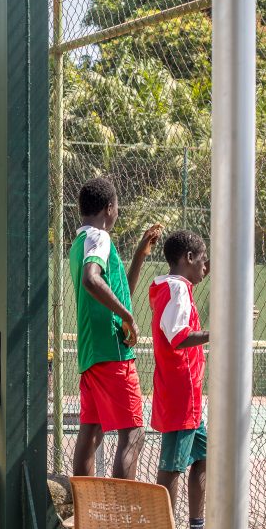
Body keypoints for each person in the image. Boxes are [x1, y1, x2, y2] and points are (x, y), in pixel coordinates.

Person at [69, 177, 162, 480]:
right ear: (109, 208)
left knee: (91, 431)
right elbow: (91, 279)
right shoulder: (100, 238)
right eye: (118, 208)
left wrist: (139, 255)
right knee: (133, 433)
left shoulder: (79, 242)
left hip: (91, 351)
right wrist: (129, 318)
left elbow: (120, 296)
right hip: (112, 350)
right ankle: (122, 514)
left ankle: (83, 505)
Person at [149, 230, 210, 529]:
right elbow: (178, 336)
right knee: (173, 465)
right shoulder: (177, 290)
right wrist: (219, 331)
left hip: (189, 394)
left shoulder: (174, 287)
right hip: (181, 393)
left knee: (205, 455)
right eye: (202, 258)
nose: (206, 265)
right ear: (188, 258)